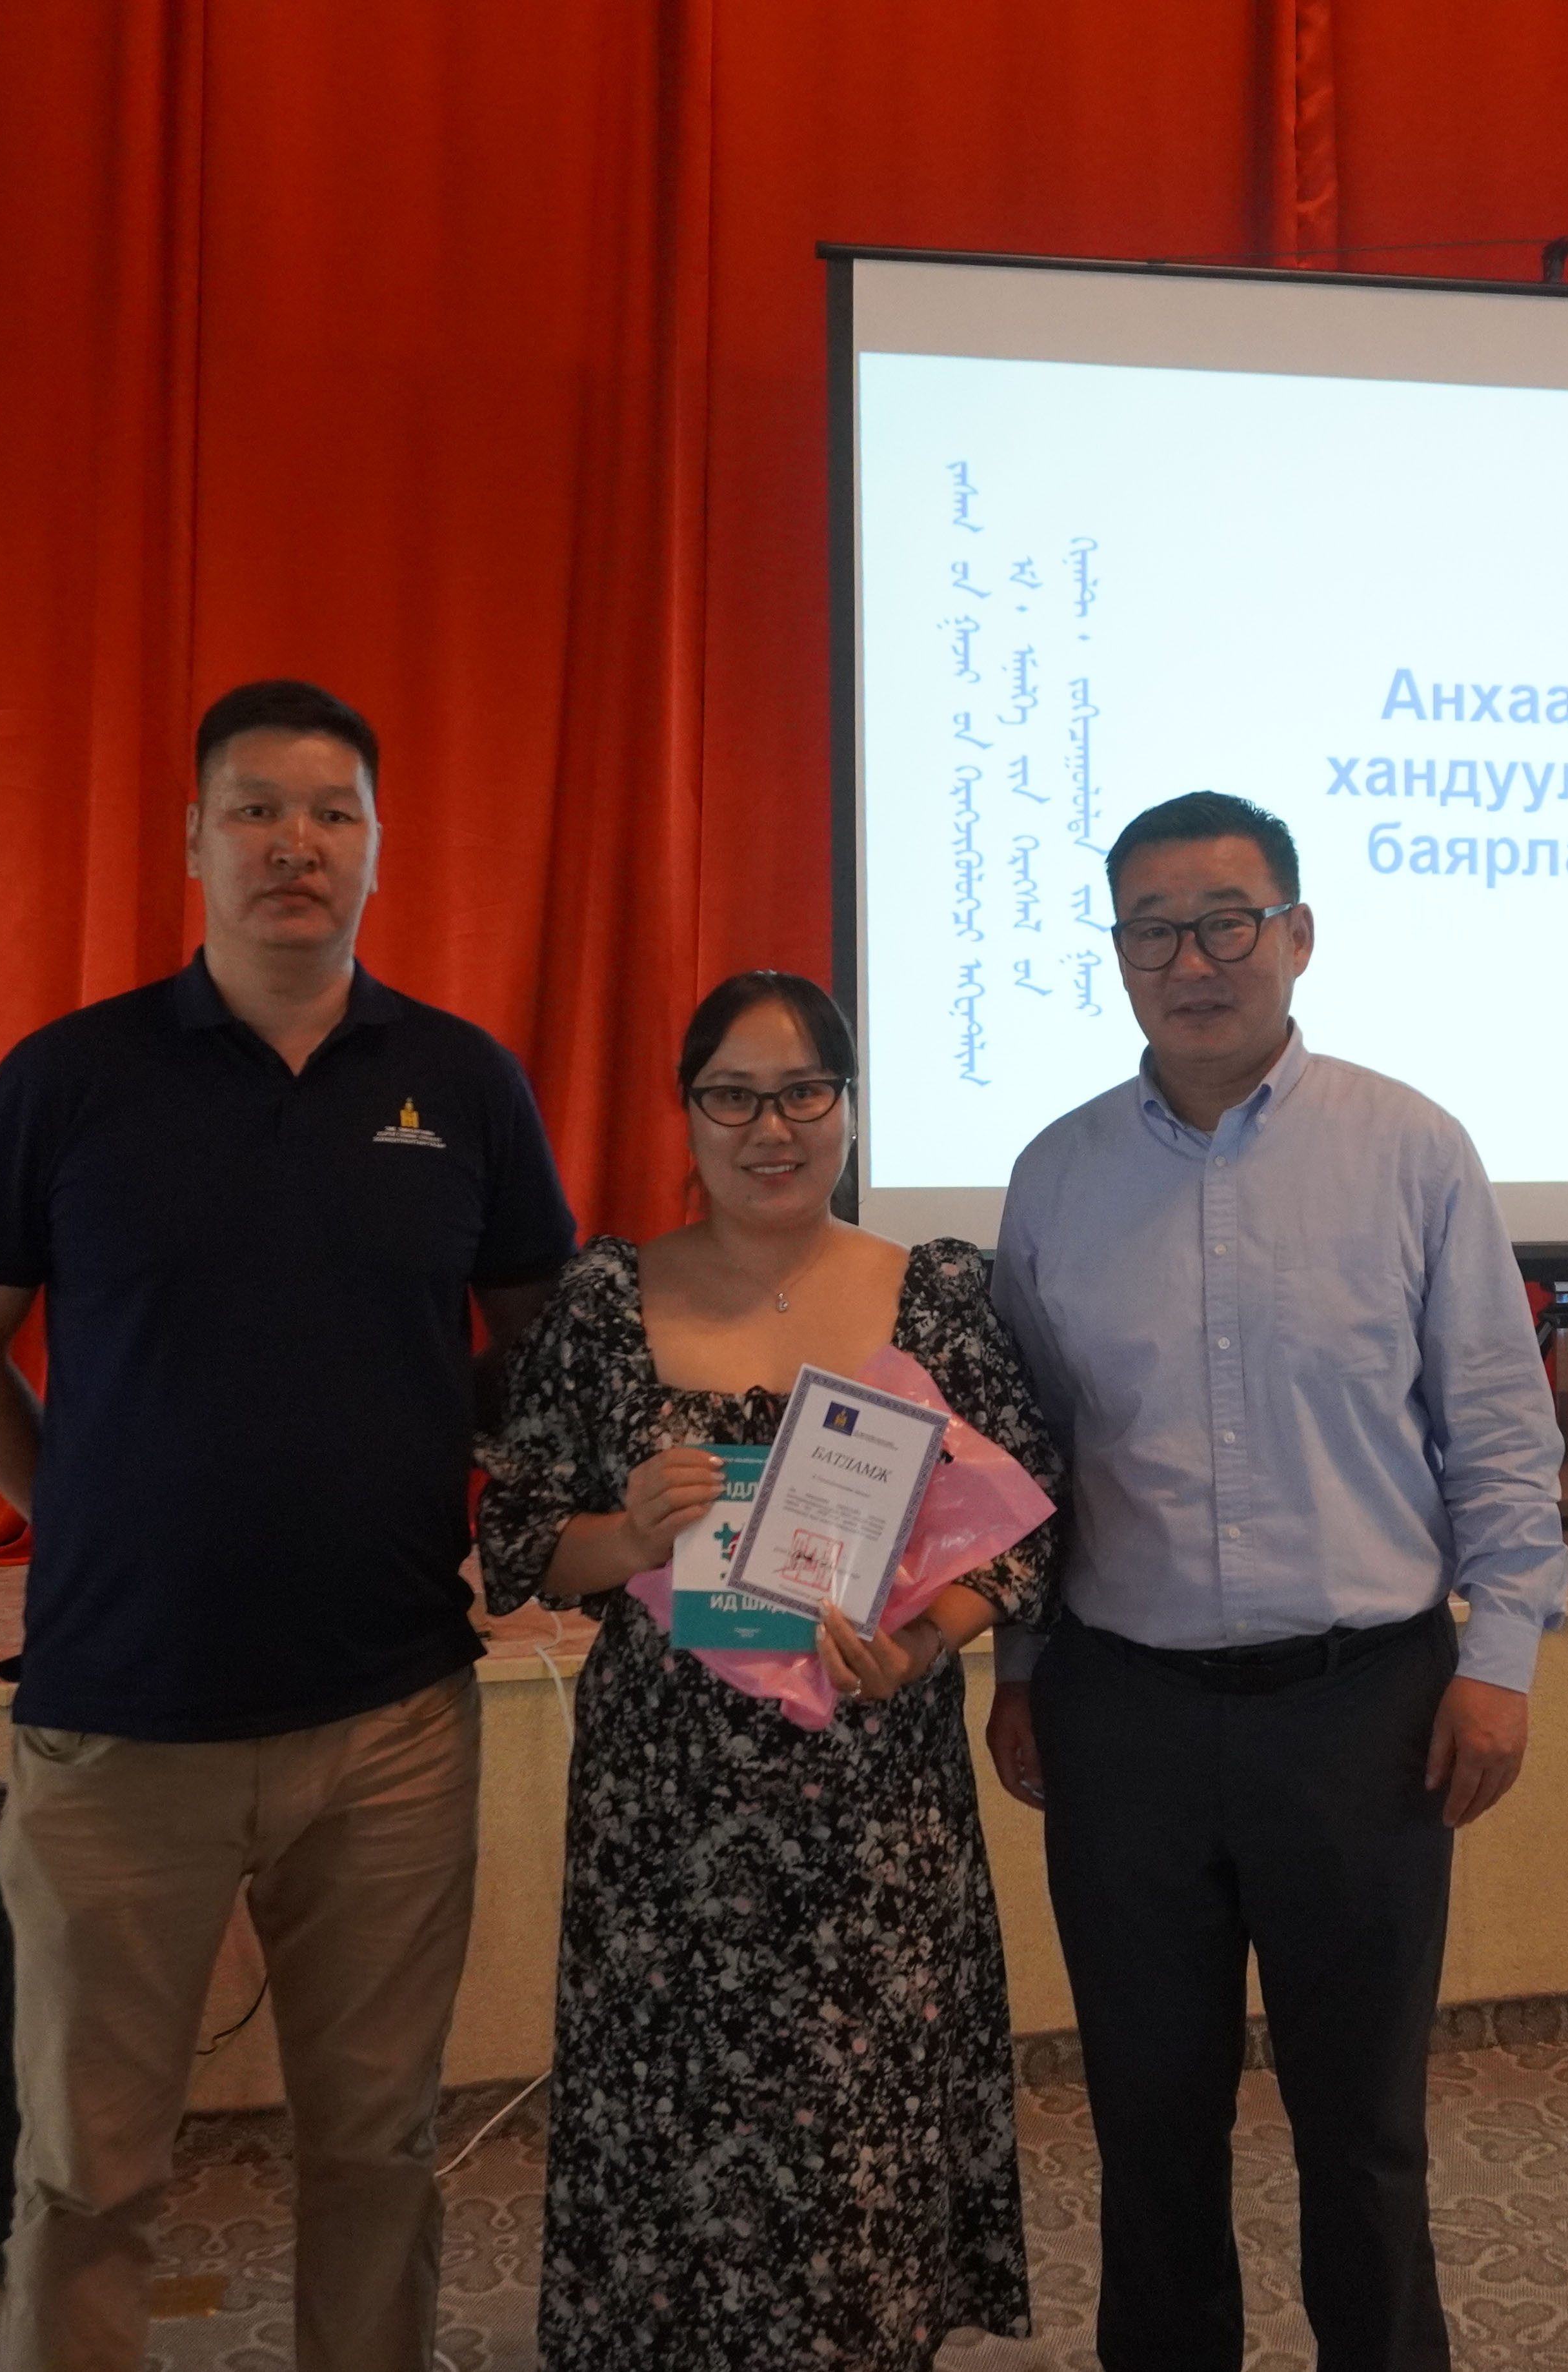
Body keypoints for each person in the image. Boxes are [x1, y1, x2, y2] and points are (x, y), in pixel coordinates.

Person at [0, 679, 576, 2372]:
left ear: (378, 849)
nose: (296, 843)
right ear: (194, 840)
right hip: (122, 1721)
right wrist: (86, 1514)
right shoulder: (70, 1077)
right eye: (258, 809)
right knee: (90, 2168)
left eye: (334, 812)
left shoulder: (462, 1081)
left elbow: (541, 1346)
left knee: (377, 2151)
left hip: (392, 1717)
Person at [982, 790, 1568, 2372]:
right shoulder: (1053, 1177)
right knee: (1145, 2124)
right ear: (1117, 955)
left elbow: (1498, 1430)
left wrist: (1500, 1657)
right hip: (1124, 1716)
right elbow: (1026, 1461)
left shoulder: (1410, 1149)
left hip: (1360, 1709)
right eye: (1152, 931)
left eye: (1225, 921)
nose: (1191, 960)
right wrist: (1020, 1669)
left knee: (1362, 2133)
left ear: (1296, 934)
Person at [475, 969, 1063, 2372]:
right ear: (688, 1115)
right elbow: (523, 1540)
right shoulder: (605, 1300)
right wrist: (630, 1533)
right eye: (732, 1096)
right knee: (670, 2143)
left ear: (848, 1107)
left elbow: (1029, 1528)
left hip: (874, 1813)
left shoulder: (936, 1294)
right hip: (665, 1821)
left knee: (860, 2152)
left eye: (803, 1092)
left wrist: (926, 1640)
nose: (771, 1127)